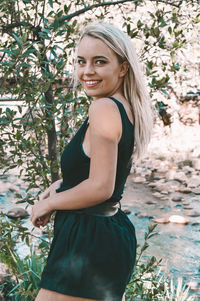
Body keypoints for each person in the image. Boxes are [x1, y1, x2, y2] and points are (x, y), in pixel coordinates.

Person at [31, 22, 152, 301]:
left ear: (122, 68)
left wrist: (48, 203)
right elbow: (100, 171)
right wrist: (61, 186)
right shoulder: (123, 105)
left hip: (88, 241)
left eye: (100, 62)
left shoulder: (104, 107)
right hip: (105, 232)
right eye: (81, 61)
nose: (87, 71)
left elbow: (101, 187)